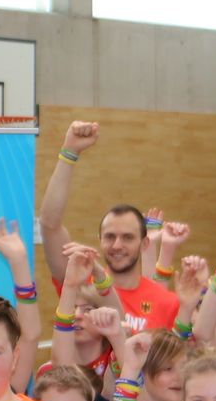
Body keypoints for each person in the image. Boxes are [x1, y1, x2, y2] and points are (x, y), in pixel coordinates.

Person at [36, 120, 182, 331]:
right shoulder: (82, 282)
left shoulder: (167, 302)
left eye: (128, 237)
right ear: (100, 240)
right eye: (110, 236)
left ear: (144, 244)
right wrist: (69, 152)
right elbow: (49, 225)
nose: (117, 245)